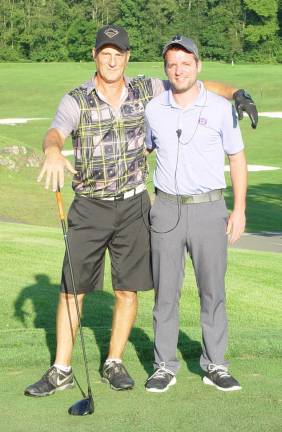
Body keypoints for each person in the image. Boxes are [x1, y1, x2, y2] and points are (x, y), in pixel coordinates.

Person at [24, 25, 256, 397]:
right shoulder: (77, 98)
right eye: (105, 53)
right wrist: (52, 150)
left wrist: (237, 93)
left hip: (134, 203)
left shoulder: (147, 88)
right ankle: (62, 369)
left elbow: (195, 84)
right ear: (95, 55)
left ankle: (115, 362)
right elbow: (56, 131)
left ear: (128, 57)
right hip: (90, 205)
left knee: (128, 290)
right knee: (72, 289)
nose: (112, 59)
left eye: (119, 53)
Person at [145, 35, 247, 393]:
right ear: (166, 69)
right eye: (172, 64)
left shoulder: (220, 108)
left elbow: (236, 158)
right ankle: (164, 365)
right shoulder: (154, 108)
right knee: (165, 293)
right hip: (167, 208)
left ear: (198, 66)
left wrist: (240, 210)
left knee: (212, 291)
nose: (179, 69)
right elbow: (143, 151)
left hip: (210, 208)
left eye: (186, 63)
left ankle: (215, 364)